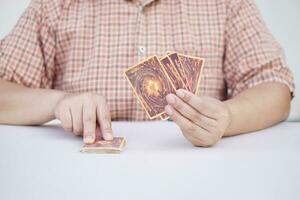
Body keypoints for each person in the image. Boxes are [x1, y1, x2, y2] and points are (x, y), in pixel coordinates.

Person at [0, 0, 294, 147]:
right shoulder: (55, 6)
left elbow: (274, 86)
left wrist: (228, 117)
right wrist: (57, 101)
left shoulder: (227, 4)